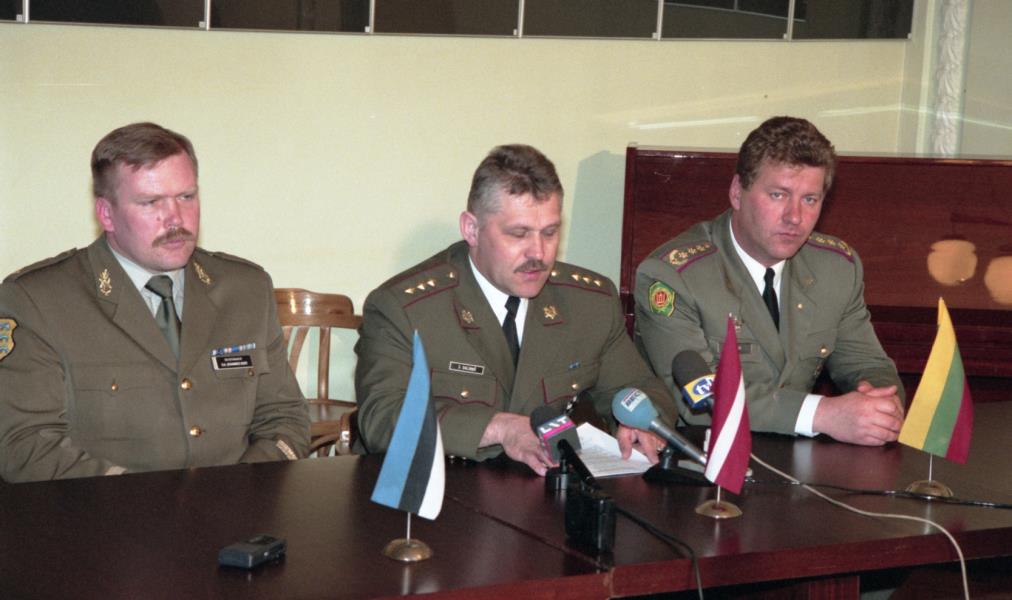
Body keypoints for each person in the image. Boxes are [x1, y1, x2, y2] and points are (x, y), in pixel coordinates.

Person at [0, 122, 309, 482]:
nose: (175, 219)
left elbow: (284, 418)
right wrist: (144, 499)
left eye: (186, 197)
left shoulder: (246, 289)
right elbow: (25, 445)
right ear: (106, 214)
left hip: (235, 505)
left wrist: (237, 487)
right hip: (106, 510)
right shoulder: (39, 300)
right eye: (150, 202)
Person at [355, 144, 676, 475]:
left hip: (540, 490)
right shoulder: (405, 308)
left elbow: (641, 388)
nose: (538, 253)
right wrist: (499, 428)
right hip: (435, 486)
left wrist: (642, 424)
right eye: (518, 234)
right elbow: (382, 419)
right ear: (472, 229)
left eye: (550, 233)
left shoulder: (589, 303)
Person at [634, 116, 905, 446]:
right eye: (778, 195)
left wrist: (879, 402)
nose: (795, 217)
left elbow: (868, 363)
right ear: (737, 193)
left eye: (810, 199)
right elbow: (700, 403)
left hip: (799, 456)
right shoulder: (673, 276)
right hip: (701, 456)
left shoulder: (836, 268)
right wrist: (823, 414)